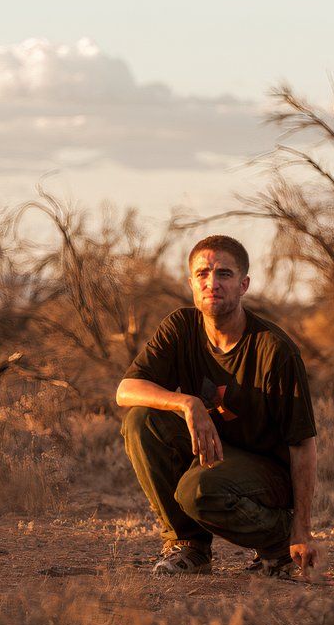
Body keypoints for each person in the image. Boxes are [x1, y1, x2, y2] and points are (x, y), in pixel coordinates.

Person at [115, 235, 319, 577]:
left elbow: (303, 445)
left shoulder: (274, 350)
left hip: (269, 476)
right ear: (191, 283)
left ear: (243, 285)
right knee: (140, 422)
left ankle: (277, 543)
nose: (212, 283)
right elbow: (125, 390)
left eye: (224, 274)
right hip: (219, 456)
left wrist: (302, 530)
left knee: (196, 491)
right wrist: (186, 402)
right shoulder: (180, 327)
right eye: (202, 274)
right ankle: (190, 547)